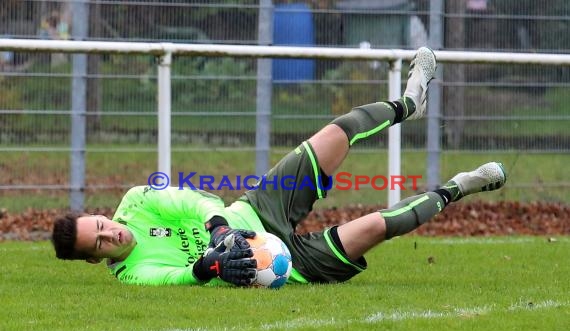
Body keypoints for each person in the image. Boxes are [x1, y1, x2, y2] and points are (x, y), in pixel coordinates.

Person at [51, 47, 507, 286]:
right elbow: (176, 278)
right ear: (96, 259)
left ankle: (409, 102)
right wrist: (208, 267)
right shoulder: (131, 276)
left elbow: (194, 200)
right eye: (102, 243)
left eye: (101, 224)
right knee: (377, 226)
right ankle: (460, 187)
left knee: (336, 132)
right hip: (286, 265)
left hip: (257, 211)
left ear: (100, 214)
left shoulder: (136, 201)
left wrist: (218, 230)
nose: (112, 234)